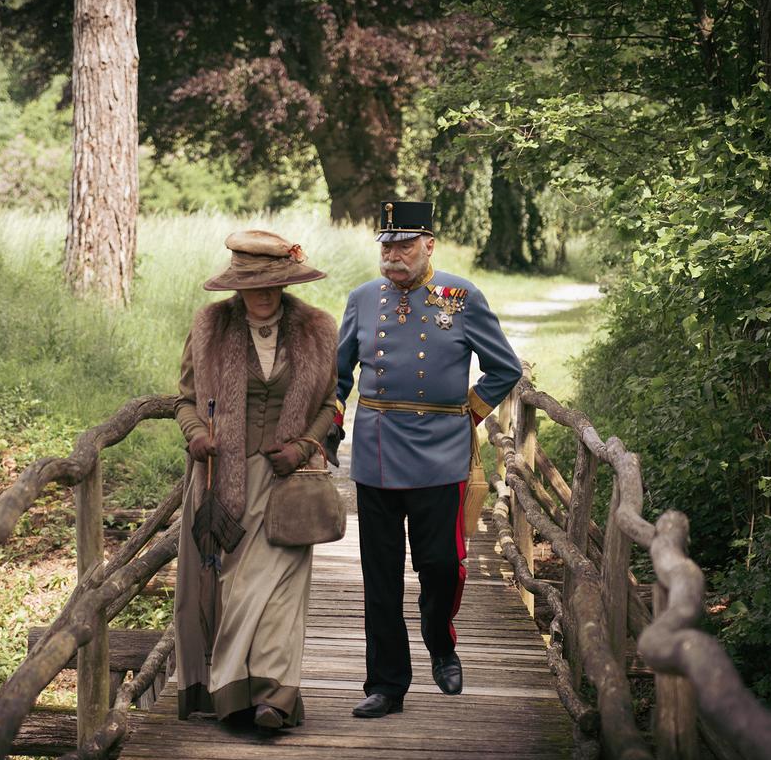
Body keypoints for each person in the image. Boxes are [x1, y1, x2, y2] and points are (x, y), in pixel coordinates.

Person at [333, 201, 522, 718]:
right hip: (375, 453)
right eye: (387, 245)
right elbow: (337, 377)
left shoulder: (460, 298)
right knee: (381, 573)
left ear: (429, 243)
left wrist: (469, 416)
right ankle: (386, 685)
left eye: (404, 245)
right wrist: (329, 427)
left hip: (441, 452)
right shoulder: (362, 300)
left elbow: (504, 368)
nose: (393, 255)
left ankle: (440, 640)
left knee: (441, 565)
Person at [173, 229, 339, 730]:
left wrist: (304, 447)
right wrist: (197, 433)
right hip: (224, 479)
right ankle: (231, 689)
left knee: (283, 585)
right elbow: (183, 400)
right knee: (235, 585)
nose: (264, 294)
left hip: (290, 480)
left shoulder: (316, 328)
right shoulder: (209, 326)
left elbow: (330, 405)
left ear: (288, 282)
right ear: (236, 285)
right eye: (253, 284)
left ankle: (273, 696)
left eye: (275, 283)